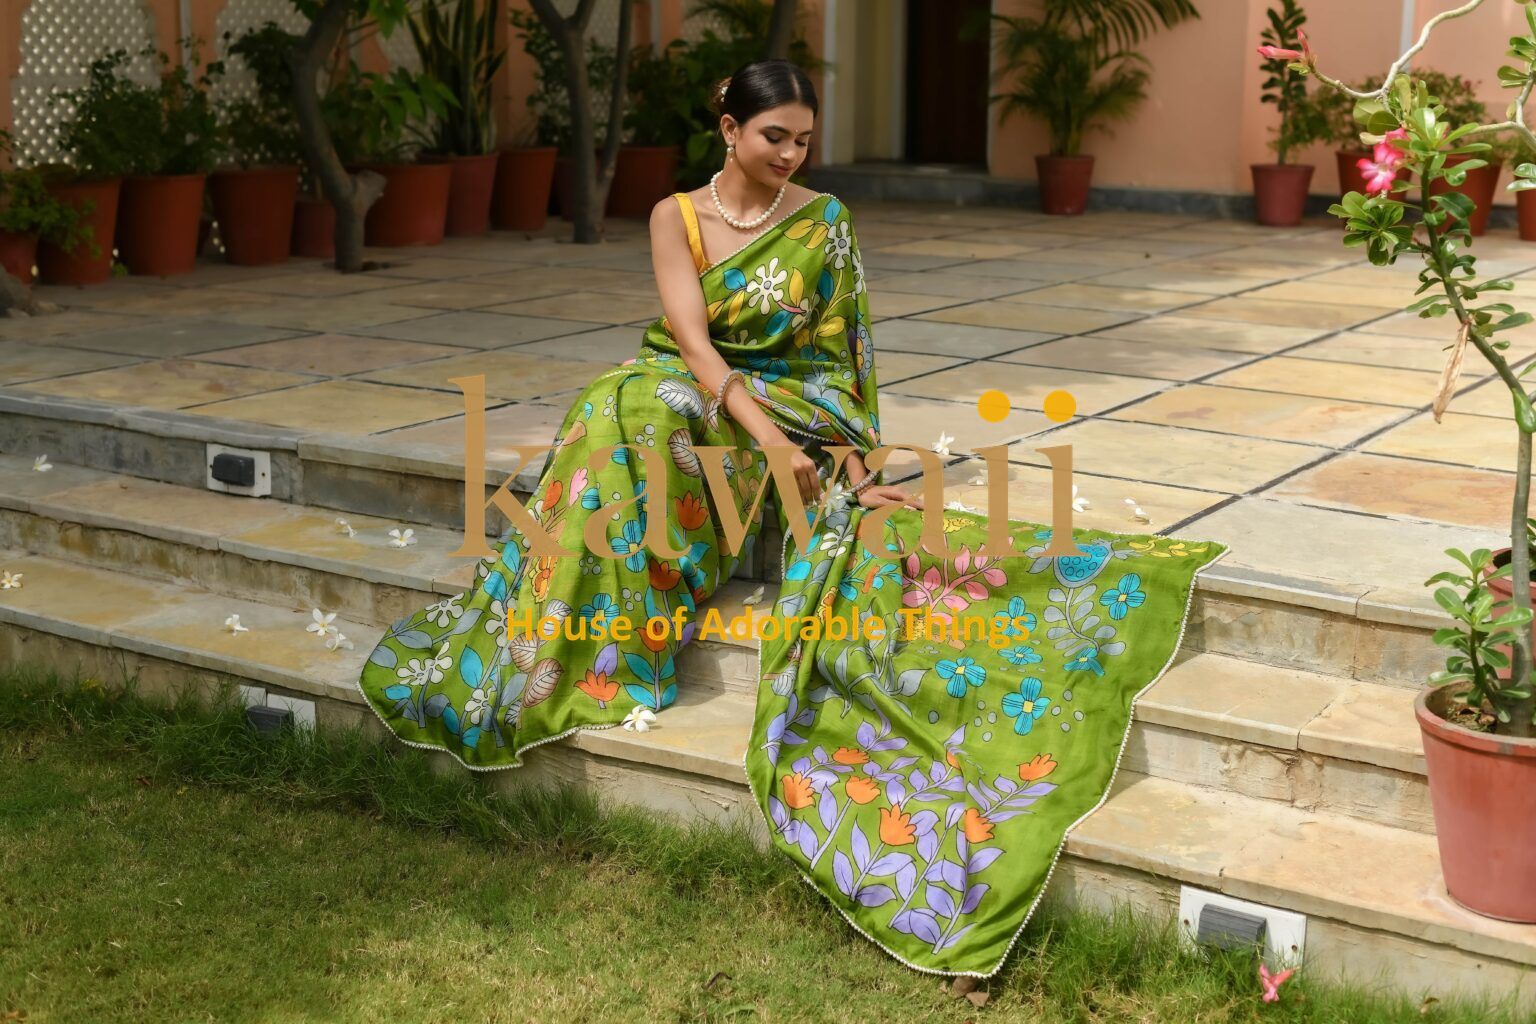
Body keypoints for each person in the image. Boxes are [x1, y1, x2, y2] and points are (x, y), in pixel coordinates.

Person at [357, 58, 1225, 979]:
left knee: (655, 421)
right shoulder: (675, 217)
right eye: (775, 135)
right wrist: (767, 444)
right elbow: (692, 342)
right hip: (707, 391)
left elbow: (846, 360)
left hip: (801, 404)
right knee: (623, 410)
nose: (791, 154)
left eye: (803, 140)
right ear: (727, 128)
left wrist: (844, 465)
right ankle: (601, 654)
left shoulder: (825, 225)